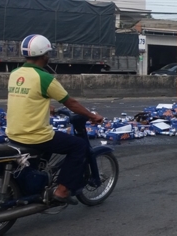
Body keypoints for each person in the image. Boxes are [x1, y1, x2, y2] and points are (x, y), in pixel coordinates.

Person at [6, 34, 104, 205]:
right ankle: (62, 190)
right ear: (44, 55)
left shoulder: (15, 73)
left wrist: (46, 106)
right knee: (78, 146)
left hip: (13, 133)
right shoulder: (45, 78)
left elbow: (26, 97)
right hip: (35, 136)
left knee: (54, 140)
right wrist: (92, 115)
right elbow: (71, 103)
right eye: (48, 53)